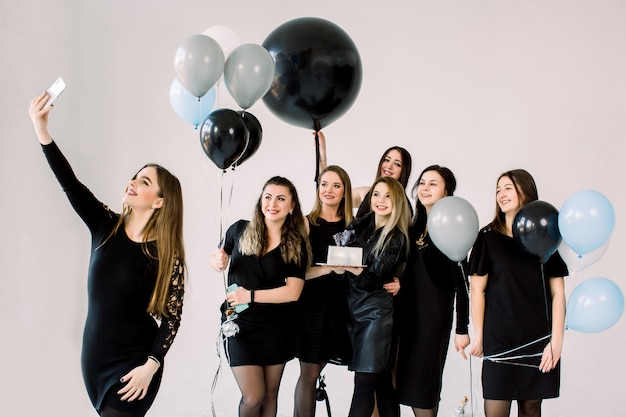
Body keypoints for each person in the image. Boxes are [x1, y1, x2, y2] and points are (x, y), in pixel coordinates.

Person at [29, 91, 186, 417]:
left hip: (135, 367)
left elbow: (172, 318)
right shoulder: (105, 226)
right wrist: (42, 131)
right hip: (95, 363)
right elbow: (70, 184)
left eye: (144, 182)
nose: (132, 183)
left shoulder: (165, 256)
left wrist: (151, 366)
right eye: (134, 176)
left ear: (159, 201)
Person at [467, 169, 568, 417]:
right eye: (498, 189)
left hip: (537, 341)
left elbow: (558, 294)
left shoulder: (547, 233)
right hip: (498, 339)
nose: (501, 194)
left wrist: (556, 343)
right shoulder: (487, 237)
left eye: (508, 188)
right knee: (495, 410)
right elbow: (477, 291)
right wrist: (479, 336)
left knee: (531, 409)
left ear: (525, 190)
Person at [210, 176, 311, 417]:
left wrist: (250, 295)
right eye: (268, 197)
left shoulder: (295, 244)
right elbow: (218, 259)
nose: (272, 203)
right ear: (260, 201)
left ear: (292, 206)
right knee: (253, 397)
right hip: (239, 324)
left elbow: (293, 292)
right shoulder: (239, 229)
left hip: (277, 327)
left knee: (269, 395)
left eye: (280, 198)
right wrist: (217, 260)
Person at [395, 165, 470, 417]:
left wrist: (462, 329)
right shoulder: (412, 227)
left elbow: (462, 285)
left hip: (431, 323)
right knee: (394, 388)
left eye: (433, 183)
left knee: (423, 391)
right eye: (422, 183)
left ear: (447, 191)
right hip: (403, 321)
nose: (425, 188)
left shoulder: (452, 229)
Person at [339, 176, 410, 417]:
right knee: (381, 387)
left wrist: (349, 267)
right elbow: (338, 250)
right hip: (353, 314)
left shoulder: (396, 237)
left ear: (397, 201)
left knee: (363, 387)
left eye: (388, 196)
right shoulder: (363, 225)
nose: (381, 200)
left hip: (376, 318)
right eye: (377, 194)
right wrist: (347, 264)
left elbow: (369, 281)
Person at [293, 165, 354, 417]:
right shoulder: (306, 224)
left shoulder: (354, 226)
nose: (328, 190)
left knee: (317, 371)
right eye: (324, 184)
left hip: (342, 308)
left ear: (345, 192)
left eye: (336, 185)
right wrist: (328, 269)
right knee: (309, 374)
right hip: (312, 307)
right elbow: (296, 273)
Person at [315, 131, 412, 218]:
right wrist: (322, 153)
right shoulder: (366, 193)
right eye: (387, 160)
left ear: (403, 171)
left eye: (397, 164)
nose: (389, 166)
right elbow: (331, 194)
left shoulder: (403, 206)